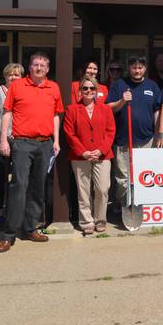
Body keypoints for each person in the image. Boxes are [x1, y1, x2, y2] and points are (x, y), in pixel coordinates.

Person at [0, 53, 64, 253]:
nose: (39, 68)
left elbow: (55, 116)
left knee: (37, 188)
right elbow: (7, 113)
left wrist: (56, 140)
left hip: (45, 144)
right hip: (22, 143)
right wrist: (3, 141)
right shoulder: (17, 86)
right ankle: (9, 235)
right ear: (30, 67)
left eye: (43, 65)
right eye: (35, 64)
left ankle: (30, 228)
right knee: (19, 186)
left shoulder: (54, 87)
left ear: (48, 69)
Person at [63, 77, 116, 235]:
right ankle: (86, 221)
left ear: (96, 91)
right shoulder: (72, 109)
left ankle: (100, 219)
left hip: (102, 154)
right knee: (83, 190)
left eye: (92, 89)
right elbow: (69, 133)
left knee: (102, 188)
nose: (88, 91)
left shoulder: (105, 109)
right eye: (85, 88)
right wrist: (83, 151)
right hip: (80, 156)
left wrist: (101, 150)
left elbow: (110, 131)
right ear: (80, 90)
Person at [107, 56, 162, 208]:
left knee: (145, 175)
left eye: (140, 67)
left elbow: (157, 111)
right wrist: (122, 101)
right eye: (134, 67)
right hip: (123, 140)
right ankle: (126, 207)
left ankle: (142, 207)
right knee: (123, 178)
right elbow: (109, 107)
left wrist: (158, 133)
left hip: (146, 140)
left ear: (145, 68)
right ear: (129, 68)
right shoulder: (119, 85)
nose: (137, 71)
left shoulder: (152, 86)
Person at [0, 62, 23, 225]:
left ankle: (16, 210)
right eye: (10, 74)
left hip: (20, 142)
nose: (13, 77)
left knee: (20, 177)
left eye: (16, 74)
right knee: (0, 176)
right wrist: (7, 132)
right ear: (5, 76)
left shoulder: (24, 92)